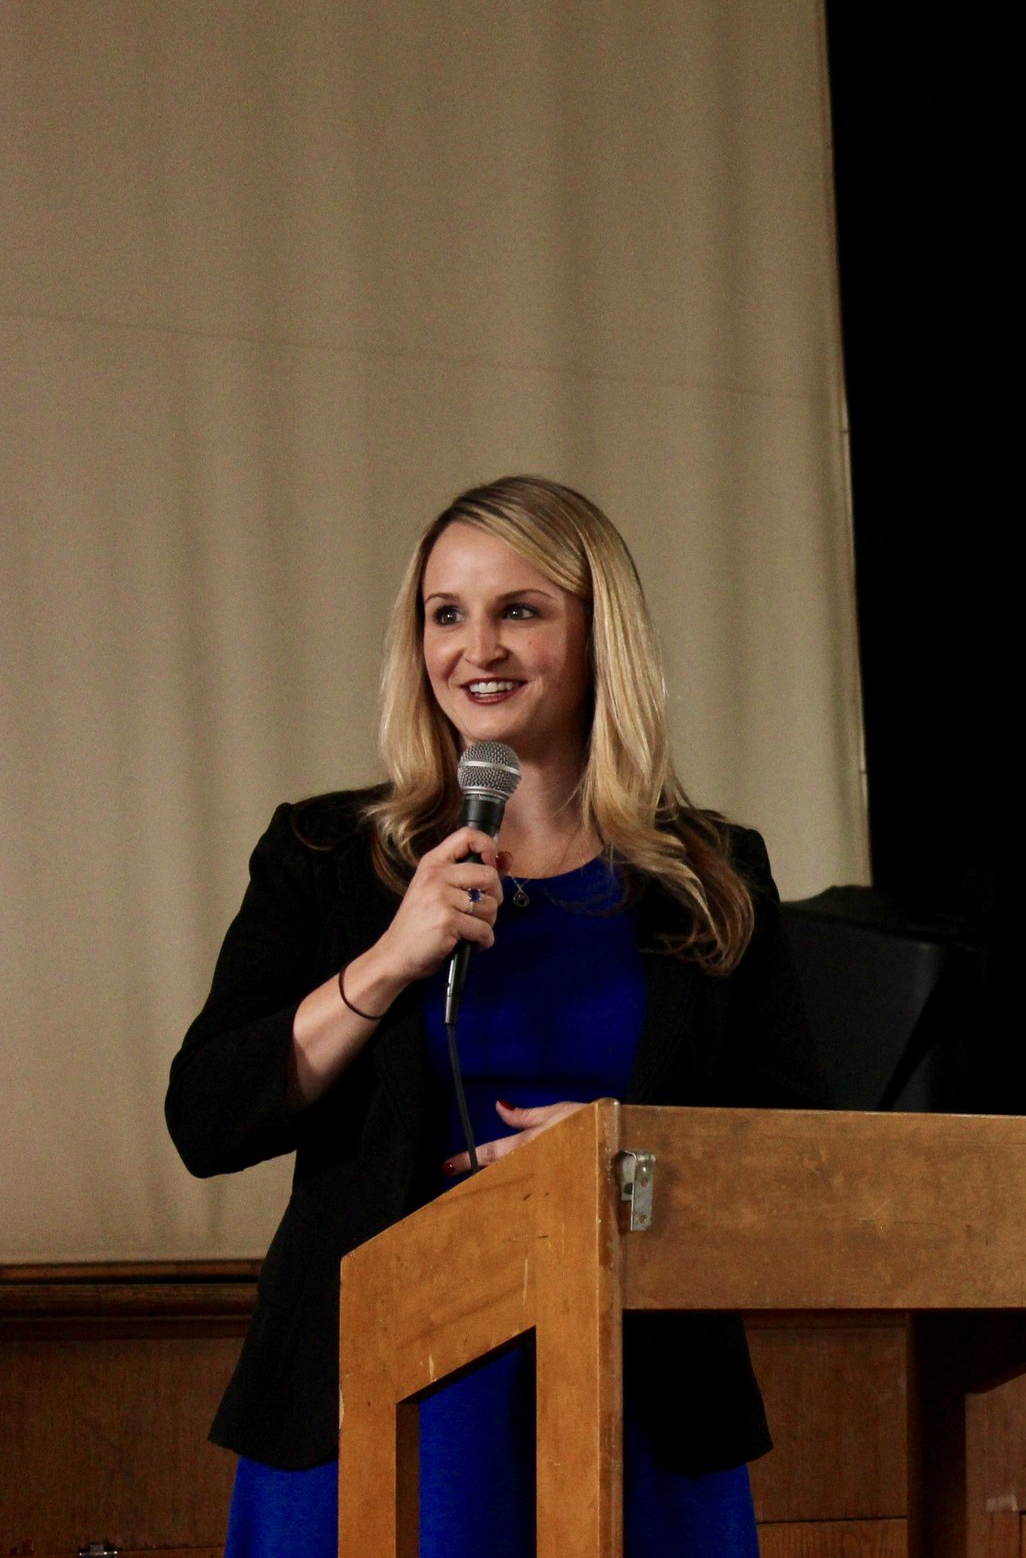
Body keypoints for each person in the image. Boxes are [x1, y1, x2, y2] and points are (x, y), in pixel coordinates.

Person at [165, 475, 826, 1557]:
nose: (478, 647)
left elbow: (803, 1155)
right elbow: (206, 1118)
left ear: (597, 630)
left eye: (520, 608)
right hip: (378, 1387)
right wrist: (386, 961)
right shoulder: (328, 857)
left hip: (640, 1390)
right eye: (447, 612)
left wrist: (626, 1158)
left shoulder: (710, 872)